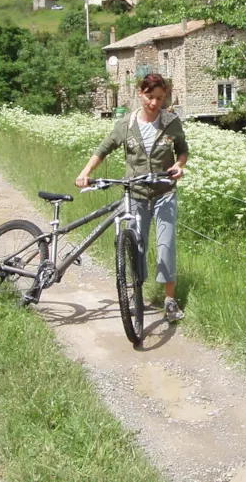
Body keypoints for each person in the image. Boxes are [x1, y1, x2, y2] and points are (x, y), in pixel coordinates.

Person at [75, 74, 189, 323]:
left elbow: (182, 149)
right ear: (140, 93)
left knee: (166, 247)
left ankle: (169, 301)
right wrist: (85, 172)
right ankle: (136, 293)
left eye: (159, 98)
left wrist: (180, 165)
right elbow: (104, 148)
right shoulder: (126, 125)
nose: (154, 103)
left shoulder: (171, 122)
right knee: (136, 247)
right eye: (150, 97)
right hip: (135, 194)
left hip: (164, 192)